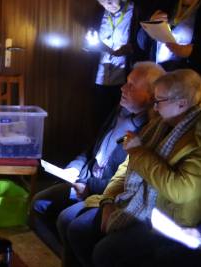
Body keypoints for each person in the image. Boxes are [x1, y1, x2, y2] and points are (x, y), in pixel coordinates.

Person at [64, 69, 201, 267]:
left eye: (158, 101)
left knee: (105, 252)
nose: (154, 108)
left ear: (181, 103)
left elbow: (180, 190)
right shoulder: (163, 122)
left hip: (171, 219)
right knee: (76, 228)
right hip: (137, 200)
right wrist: (108, 200)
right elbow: (127, 167)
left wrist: (139, 152)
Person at [30, 61, 164, 256]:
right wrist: (74, 168)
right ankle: (65, 254)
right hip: (83, 180)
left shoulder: (148, 133)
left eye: (132, 86)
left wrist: (87, 185)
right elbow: (92, 148)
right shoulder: (119, 109)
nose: (123, 88)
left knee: (69, 222)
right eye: (126, 82)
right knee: (39, 204)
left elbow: (125, 182)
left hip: (102, 190)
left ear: (152, 96)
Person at [84, 0, 139, 129]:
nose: (107, 4)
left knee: (121, 124)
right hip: (101, 77)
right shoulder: (99, 14)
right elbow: (91, 39)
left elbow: (145, 44)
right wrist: (90, 42)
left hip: (124, 78)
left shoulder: (136, 12)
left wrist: (131, 48)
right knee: (99, 122)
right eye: (102, 0)